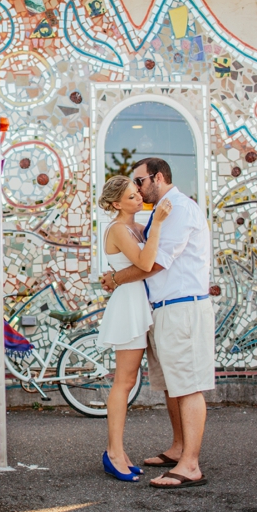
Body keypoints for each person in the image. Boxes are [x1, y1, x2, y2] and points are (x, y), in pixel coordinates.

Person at [101, 157, 214, 489]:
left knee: (188, 384)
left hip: (181, 307)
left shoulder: (178, 208)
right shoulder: (156, 213)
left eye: (139, 181)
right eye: (132, 185)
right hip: (158, 309)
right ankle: (179, 448)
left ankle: (189, 465)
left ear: (158, 177)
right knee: (171, 384)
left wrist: (115, 278)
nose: (136, 188)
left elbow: (156, 262)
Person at [96, 175, 171, 482]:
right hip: (127, 307)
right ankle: (114, 453)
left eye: (137, 194)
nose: (139, 199)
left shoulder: (136, 227)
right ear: (116, 203)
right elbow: (143, 262)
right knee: (123, 383)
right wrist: (161, 224)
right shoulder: (117, 228)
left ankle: (119, 452)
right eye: (131, 197)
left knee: (127, 382)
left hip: (136, 302)